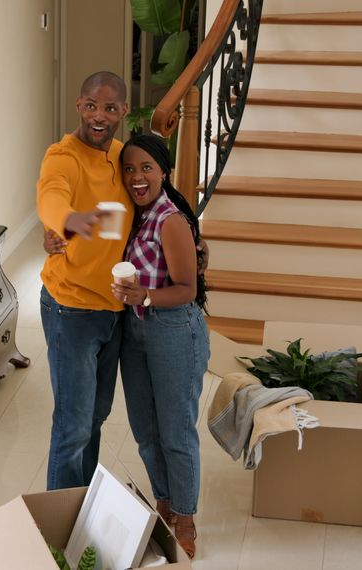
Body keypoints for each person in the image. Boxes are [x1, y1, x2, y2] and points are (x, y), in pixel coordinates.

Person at [110, 134, 210, 558]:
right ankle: (164, 504)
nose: (137, 177)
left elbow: (187, 289)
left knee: (175, 434)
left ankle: (185, 519)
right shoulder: (133, 216)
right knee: (145, 431)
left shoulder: (170, 220)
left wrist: (145, 296)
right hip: (136, 331)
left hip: (173, 328)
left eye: (147, 168)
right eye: (129, 169)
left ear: (163, 172)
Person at [36, 71, 132, 491]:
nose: (99, 115)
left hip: (112, 309)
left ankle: (84, 509)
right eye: (92, 105)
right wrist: (67, 220)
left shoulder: (123, 156)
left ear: (123, 112)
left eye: (110, 108)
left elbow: (151, 201)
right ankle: (59, 528)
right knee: (73, 426)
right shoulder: (63, 156)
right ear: (79, 105)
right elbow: (51, 194)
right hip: (70, 308)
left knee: (94, 418)